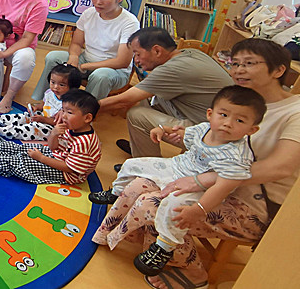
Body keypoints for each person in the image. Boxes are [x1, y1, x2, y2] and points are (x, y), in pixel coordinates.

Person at [93, 38, 300, 289]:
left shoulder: (294, 112)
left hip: (252, 205)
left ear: (278, 70)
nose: (238, 70)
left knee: (155, 203)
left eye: (249, 63)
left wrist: (201, 180)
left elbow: (281, 167)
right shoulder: (242, 100)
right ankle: (133, 241)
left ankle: (194, 275)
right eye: (235, 64)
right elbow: (209, 132)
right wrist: (177, 134)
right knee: (140, 184)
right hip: (212, 179)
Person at [92, 85, 265, 276]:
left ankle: (164, 247)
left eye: (239, 120)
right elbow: (183, 133)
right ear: (210, 114)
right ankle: (115, 192)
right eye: (223, 115)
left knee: (174, 205)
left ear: (252, 129)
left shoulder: (237, 155)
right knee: (132, 164)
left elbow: (222, 189)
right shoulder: (204, 129)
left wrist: (198, 209)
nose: (228, 123)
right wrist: (162, 130)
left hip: (200, 188)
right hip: (176, 167)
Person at [100, 27, 232, 158]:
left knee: (136, 115)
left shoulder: (173, 69)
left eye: (138, 54)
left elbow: (123, 100)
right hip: (217, 123)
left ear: (157, 50)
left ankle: (147, 168)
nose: (136, 60)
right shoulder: (190, 53)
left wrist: (85, 107)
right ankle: (141, 146)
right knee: (146, 97)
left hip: (212, 135)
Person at [33, 0, 139, 100]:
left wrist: (84, 67)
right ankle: (42, 101)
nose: (98, 2)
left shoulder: (130, 22)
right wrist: (74, 56)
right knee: (53, 57)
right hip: (87, 59)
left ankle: (81, 112)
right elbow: (76, 43)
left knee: (101, 75)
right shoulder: (88, 13)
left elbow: (122, 62)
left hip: (113, 70)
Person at [0, 89, 101, 185]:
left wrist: (41, 158)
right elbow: (53, 147)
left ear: (87, 118)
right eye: (63, 110)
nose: (63, 116)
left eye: (69, 112)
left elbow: (69, 168)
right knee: (28, 148)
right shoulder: (70, 127)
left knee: (24, 164)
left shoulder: (84, 142)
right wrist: (53, 134)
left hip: (67, 174)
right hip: (58, 156)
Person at [0, 62, 83, 142]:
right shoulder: (50, 93)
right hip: (42, 116)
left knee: (32, 129)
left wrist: (43, 120)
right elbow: (45, 104)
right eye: (53, 82)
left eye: (62, 85)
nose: (55, 87)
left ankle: (5, 131)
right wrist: (36, 107)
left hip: (52, 127)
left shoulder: (68, 104)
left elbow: (60, 123)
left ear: (72, 87)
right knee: (23, 117)